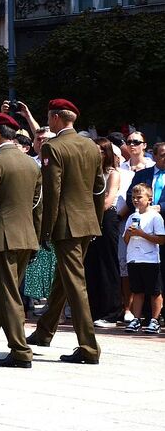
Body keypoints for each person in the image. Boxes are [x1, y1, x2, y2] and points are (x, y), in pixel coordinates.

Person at [27, 99, 106, 365]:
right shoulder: (91, 146)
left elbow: (53, 192)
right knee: (64, 279)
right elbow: (99, 187)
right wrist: (96, 220)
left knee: (74, 284)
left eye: (49, 117)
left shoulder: (53, 147)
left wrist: (45, 229)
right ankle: (44, 331)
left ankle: (89, 347)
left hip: (66, 224)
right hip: (86, 222)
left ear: (56, 118)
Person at [0, 113, 42, 369]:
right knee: (3, 295)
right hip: (26, 237)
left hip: (2, 238)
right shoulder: (31, 163)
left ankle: (20, 350)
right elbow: (37, 206)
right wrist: (36, 237)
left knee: (8, 296)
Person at [85, 138, 123, 325]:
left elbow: (108, 201)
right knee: (91, 264)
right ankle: (94, 311)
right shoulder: (88, 171)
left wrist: (87, 210)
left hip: (106, 218)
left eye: (98, 150)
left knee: (107, 264)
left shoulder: (112, 174)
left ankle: (111, 312)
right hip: (89, 218)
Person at [122, 183, 165, 334]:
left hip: (150, 259)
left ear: (149, 199)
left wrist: (142, 234)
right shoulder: (132, 217)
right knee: (137, 290)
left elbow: (161, 239)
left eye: (139, 197)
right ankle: (136, 319)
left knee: (154, 291)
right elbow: (126, 240)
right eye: (133, 197)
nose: (136, 200)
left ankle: (155, 320)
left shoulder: (155, 217)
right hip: (134, 259)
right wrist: (129, 233)